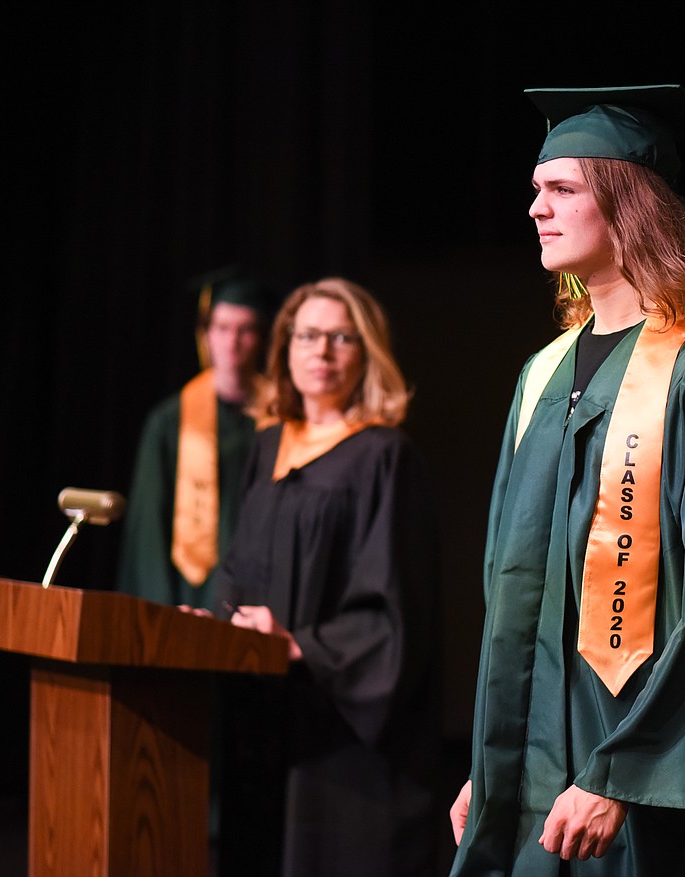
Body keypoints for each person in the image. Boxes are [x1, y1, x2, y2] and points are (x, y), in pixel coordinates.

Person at [448, 85, 685, 876]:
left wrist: (622, 773)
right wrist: (493, 764)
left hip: (642, 792)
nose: (537, 207)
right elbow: (518, 600)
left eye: (563, 189)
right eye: (536, 189)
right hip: (539, 783)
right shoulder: (543, 375)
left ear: (630, 207)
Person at [212, 277, 442, 877]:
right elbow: (237, 568)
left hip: (341, 736)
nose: (322, 351)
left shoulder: (384, 456)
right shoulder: (266, 447)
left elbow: (395, 609)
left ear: (367, 353)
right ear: (285, 348)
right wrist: (217, 624)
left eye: (342, 337)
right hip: (264, 722)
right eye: (308, 335)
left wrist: (299, 644)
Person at [116, 266, 274, 610]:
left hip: (259, 597)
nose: (232, 342)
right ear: (206, 335)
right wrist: (160, 608)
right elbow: (149, 527)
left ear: (261, 338)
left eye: (245, 330)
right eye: (222, 328)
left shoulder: (279, 419)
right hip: (187, 595)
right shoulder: (170, 421)